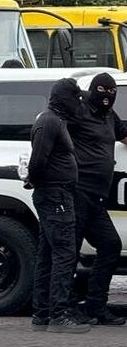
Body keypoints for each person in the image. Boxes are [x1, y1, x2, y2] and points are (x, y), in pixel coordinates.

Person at [27, 79, 87, 333]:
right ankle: (59, 315)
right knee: (64, 254)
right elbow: (38, 159)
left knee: (48, 254)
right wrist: (37, 181)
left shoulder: (54, 119)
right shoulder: (50, 121)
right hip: (56, 196)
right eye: (76, 98)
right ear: (65, 98)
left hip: (55, 194)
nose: (80, 103)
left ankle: (42, 314)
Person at [69, 73, 127, 326]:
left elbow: (124, 136)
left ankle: (95, 306)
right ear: (92, 90)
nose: (107, 95)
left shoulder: (108, 116)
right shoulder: (79, 112)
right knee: (68, 253)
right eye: (102, 90)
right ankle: (63, 308)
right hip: (77, 191)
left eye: (111, 91)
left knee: (111, 245)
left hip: (97, 198)